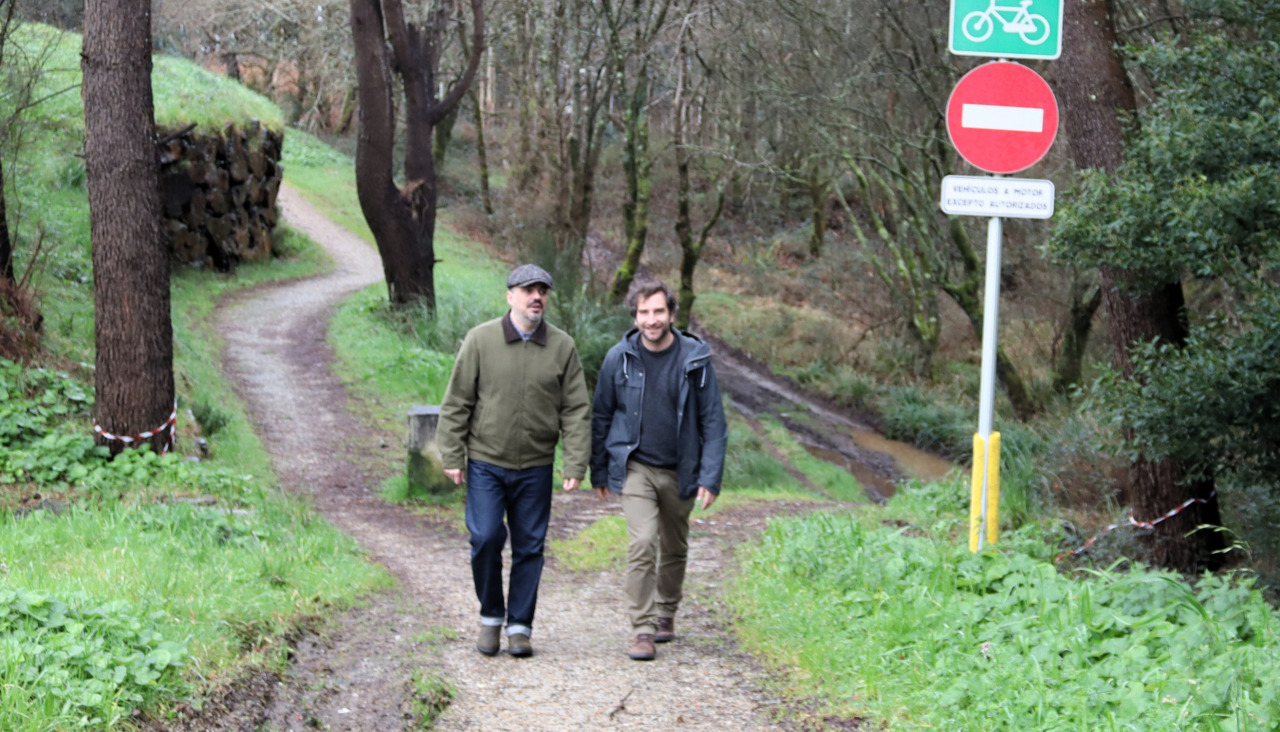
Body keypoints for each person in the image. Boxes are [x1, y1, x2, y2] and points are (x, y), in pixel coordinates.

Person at [438, 264, 591, 658]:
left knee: (530, 547)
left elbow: (575, 409)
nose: (536, 296)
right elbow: (457, 402)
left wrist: (574, 463)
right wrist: (452, 453)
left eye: (542, 290)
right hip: (487, 461)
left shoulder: (562, 346)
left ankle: (520, 627)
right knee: (486, 537)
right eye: (527, 290)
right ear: (510, 296)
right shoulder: (480, 340)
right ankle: (491, 617)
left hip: (536, 465)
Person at [590, 280, 727, 661]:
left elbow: (713, 423)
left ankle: (666, 613)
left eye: (658, 312)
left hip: (682, 470)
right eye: (644, 313)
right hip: (637, 466)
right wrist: (599, 471)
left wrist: (710, 477)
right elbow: (602, 415)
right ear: (634, 316)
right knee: (642, 542)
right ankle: (643, 628)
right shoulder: (619, 357)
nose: (651, 320)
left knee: (674, 545)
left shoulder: (695, 360)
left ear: (671, 314)